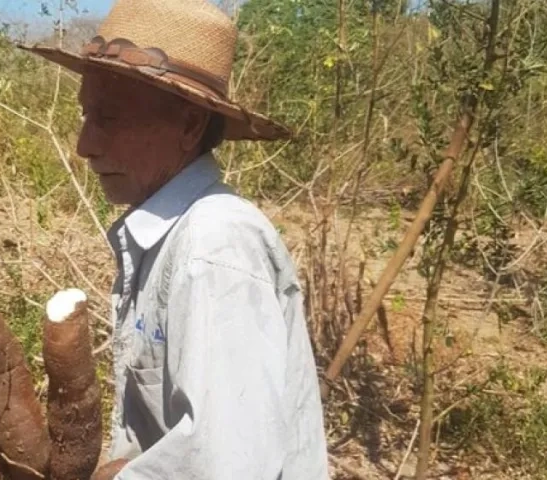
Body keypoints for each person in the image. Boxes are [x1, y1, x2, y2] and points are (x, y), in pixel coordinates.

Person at [21, 0, 330, 478]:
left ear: (188, 126)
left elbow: (231, 465)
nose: (85, 145)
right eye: (86, 116)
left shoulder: (213, 245)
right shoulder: (169, 237)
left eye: (109, 118)